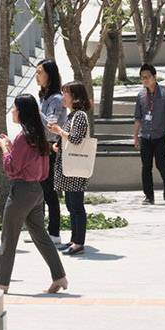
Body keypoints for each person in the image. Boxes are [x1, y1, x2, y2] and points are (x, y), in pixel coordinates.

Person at [0, 94, 68, 293]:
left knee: (9, 236)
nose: (12, 111)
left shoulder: (23, 137)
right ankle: (59, 276)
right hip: (36, 190)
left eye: (15, 108)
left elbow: (11, 168)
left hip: (21, 191)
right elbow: (27, 161)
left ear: (22, 112)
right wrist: (10, 147)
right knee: (40, 235)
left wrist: (4, 148)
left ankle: (1, 282)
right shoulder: (38, 135)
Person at [50, 81, 93, 256]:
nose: (63, 96)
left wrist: (59, 131)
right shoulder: (72, 115)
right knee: (70, 205)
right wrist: (58, 144)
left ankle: (79, 242)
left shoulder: (80, 116)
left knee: (76, 205)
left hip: (75, 169)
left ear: (75, 96)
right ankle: (74, 240)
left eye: (66, 93)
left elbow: (75, 139)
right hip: (69, 168)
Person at [132, 63, 165, 203]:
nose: (145, 80)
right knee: (146, 167)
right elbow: (138, 118)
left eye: (147, 77)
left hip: (161, 135)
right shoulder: (140, 95)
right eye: (142, 78)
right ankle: (149, 196)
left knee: (161, 164)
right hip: (145, 136)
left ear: (154, 77)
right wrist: (135, 137)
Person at [34, 59, 65, 243]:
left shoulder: (57, 99)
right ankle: (41, 232)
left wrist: (34, 111)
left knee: (49, 192)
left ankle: (54, 233)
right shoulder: (43, 97)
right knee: (39, 192)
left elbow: (51, 125)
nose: (37, 76)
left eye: (40, 72)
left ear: (50, 75)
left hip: (51, 148)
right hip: (40, 147)